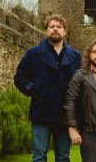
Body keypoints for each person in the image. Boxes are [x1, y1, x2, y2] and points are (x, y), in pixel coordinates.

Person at [14, 14, 81, 162]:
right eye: (52, 27)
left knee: (63, 157)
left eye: (59, 27)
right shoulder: (33, 53)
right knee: (39, 157)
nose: (55, 29)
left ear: (65, 31)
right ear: (46, 30)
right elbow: (19, 77)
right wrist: (35, 89)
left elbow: (81, 84)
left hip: (65, 115)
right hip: (41, 113)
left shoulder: (76, 56)